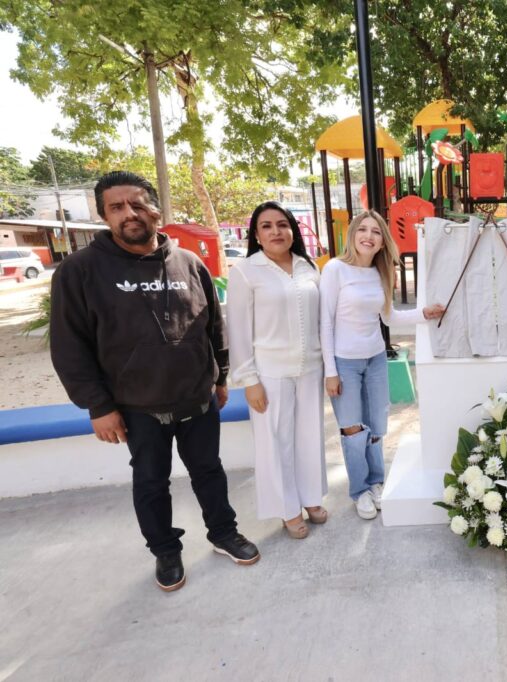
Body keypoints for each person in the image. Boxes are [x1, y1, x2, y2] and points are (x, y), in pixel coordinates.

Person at [49, 171, 259, 593]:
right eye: (117, 207)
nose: (129, 213)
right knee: (150, 483)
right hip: (136, 407)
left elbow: (212, 325)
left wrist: (219, 377)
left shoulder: (189, 263)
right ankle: (165, 550)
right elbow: (69, 346)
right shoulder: (79, 271)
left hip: (197, 399)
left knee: (209, 472)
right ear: (104, 215)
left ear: (155, 210)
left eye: (138, 203)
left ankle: (223, 532)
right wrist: (98, 406)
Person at [320, 210, 444, 520]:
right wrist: (330, 371)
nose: (369, 236)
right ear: (353, 234)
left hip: (375, 358)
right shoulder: (335, 269)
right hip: (344, 362)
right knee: (352, 428)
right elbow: (325, 322)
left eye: (376, 232)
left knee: (376, 425)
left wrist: (424, 314)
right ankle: (360, 490)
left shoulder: (381, 272)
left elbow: (389, 317)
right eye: (363, 229)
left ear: (382, 241)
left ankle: (376, 482)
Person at [227, 202, 327, 539]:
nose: (276, 232)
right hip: (269, 373)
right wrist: (249, 380)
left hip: (310, 368)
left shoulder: (307, 266)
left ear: (292, 230)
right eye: (266, 226)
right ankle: (287, 509)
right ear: (256, 234)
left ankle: (311, 497)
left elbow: (321, 320)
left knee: (310, 437)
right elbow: (238, 329)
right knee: (276, 442)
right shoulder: (246, 271)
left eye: (282, 224)